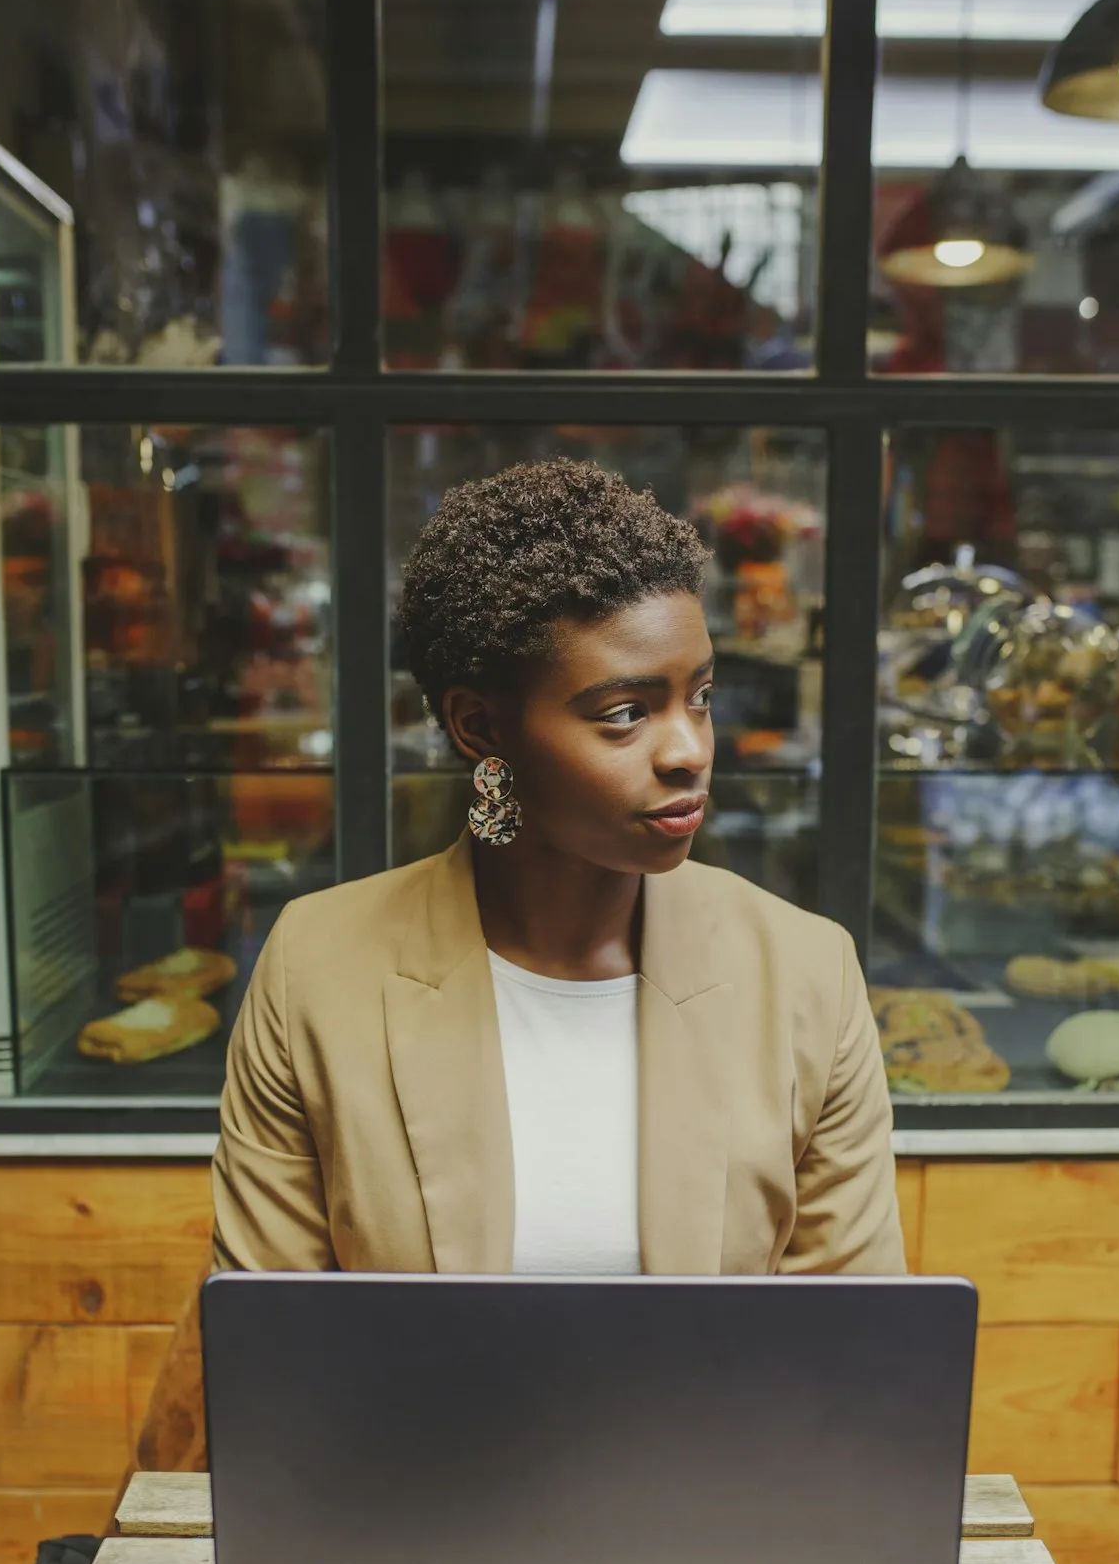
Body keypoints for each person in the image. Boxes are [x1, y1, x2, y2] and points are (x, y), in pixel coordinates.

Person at [135, 458, 903, 1470]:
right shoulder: (321, 970)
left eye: (701, 696)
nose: (687, 749)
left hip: (715, 1529)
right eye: (624, 710)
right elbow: (271, 1361)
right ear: (479, 725)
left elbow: (851, 1365)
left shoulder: (801, 973)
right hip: (399, 1522)